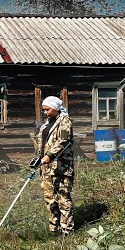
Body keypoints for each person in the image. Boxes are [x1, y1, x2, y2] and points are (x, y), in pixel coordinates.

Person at [36, 96, 75, 236]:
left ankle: (67, 230)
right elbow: (42, 145)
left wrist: (50, 155)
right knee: (50, 199)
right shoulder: (47, 124)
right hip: (46, 168)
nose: (45, 112)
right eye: (44, 110)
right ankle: (54, 229)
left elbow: (63, 141)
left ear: (56, 108)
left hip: (61, 167)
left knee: (63, 198)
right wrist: (38, 159)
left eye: (48, 109)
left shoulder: (65, 122)